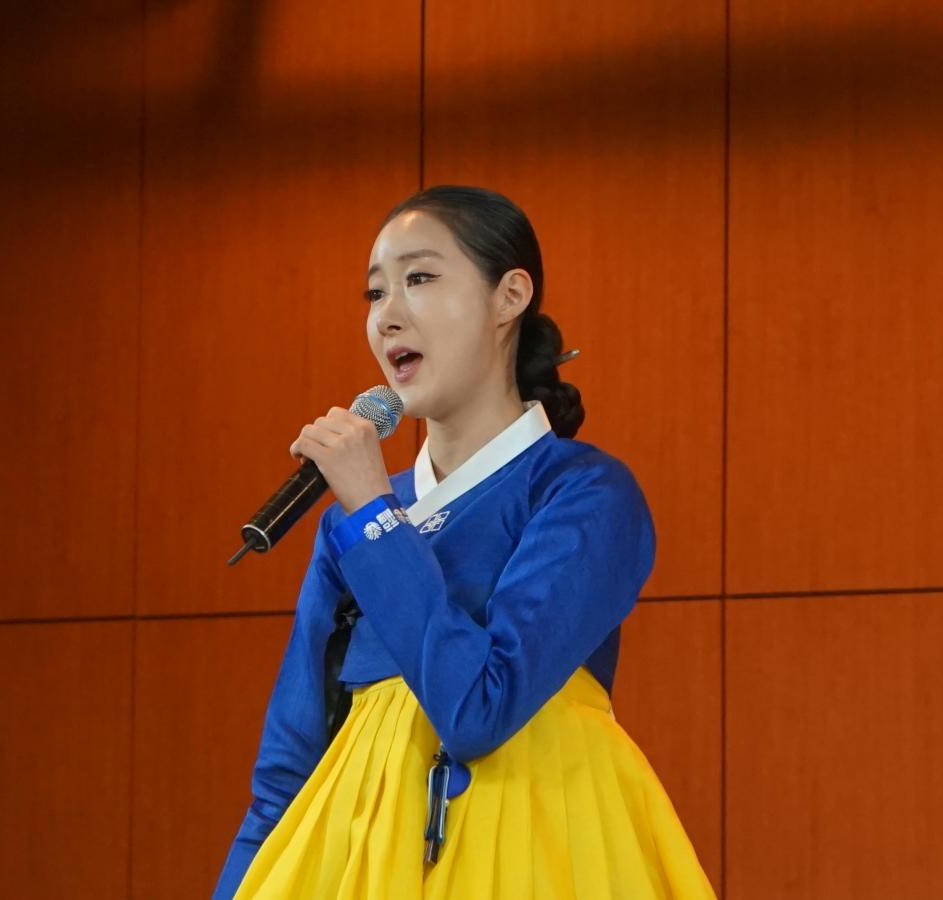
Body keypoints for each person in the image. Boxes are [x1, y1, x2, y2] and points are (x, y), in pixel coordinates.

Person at [212, 185, 717, 899]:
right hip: (360, 858)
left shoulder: (583, 491)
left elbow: (480, 710)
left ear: (510, 296)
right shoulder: (349, 521)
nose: (387, 315)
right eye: (375, 292)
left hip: (535, 849)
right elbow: (285, 776)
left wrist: (377, 520)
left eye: (419, 278)